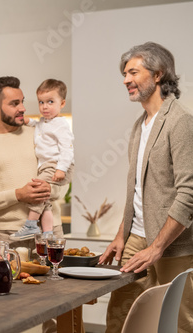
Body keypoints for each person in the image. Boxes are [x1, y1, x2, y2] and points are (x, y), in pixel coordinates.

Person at [99, 42, 193, 333]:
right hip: (136, 238)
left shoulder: (181, 123)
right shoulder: (140, 125)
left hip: (173, 245)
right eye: (125, 74)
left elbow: (188, 193)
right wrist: (120, 235)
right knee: (121, 316)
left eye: (133, 72)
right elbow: (137, 189)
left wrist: (157, 247)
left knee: (177, 321)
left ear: (157, 75)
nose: (126, 79)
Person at [0, 76, 64, 247]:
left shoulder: (41, 133)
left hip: (50, 232)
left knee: (56, 274)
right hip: (8, 236)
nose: (22, 108)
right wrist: (18, 195)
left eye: (22, 102)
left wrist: (50, 189)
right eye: (14, 104)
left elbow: (63, 178)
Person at [10, 79, 74, 241]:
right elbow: (38, 126)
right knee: (45, 201)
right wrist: (28, 122)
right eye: (41, 102)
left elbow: (67, 149)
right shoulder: (44, 122)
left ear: (62, 103)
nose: (45, 106)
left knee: (39, 191)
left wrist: (61, 168)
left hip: (55, 165)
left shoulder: (60, 125)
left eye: (50, 102)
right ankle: (47, 232)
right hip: (47, 165)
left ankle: (31, 224)